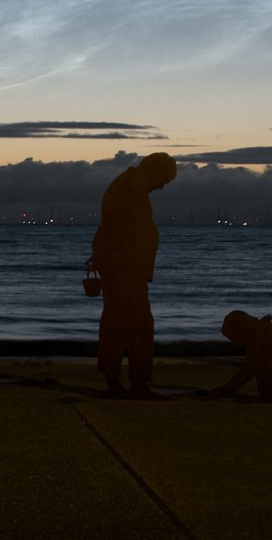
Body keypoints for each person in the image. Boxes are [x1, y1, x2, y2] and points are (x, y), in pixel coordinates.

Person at [88, 152, 177, 399]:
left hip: (124, 268)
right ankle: (129, 382)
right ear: (154, 171)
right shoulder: (130, 189)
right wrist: (124, 261)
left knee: (122, 323)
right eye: (163, 180)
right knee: (134, 324)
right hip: (124, 270)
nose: (160, 187)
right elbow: (117, 230)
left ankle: (122, 379)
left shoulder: (129, 186)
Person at [210, 310, 272, 400]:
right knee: (255, 363)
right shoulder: (261, 335)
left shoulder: (261, 341)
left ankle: (267, 395)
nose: (234, 342)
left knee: (256, 363)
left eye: (233, 337)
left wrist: (228, 389)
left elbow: (247, 371)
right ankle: (267, 393)